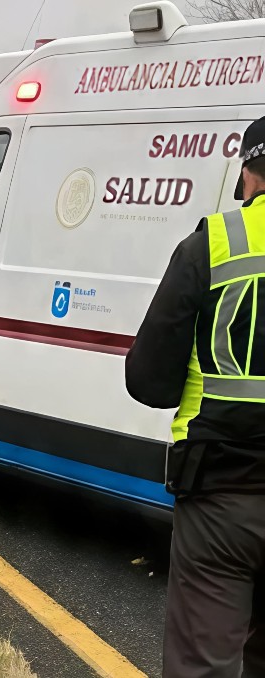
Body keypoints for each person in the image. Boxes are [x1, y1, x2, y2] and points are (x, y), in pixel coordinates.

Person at [126, 116, 265, 677]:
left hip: (222, 495)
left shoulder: (215, 243)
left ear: (249, 174)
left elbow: (148, 381)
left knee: (204, 665)